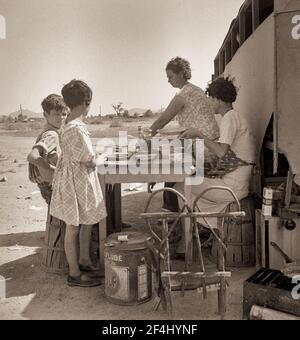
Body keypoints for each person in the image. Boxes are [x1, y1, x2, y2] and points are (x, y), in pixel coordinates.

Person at [175, 77, 256, 254]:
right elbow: (227, 154)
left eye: (211, 99)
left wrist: (199, 134)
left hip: (233, 187)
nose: (210, 103)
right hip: (235, 182)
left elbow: (221, 152)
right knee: (190, 183)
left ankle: (186, 241)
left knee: (180, 187)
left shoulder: (229, 118)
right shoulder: (234, 117)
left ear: (218, 99)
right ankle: (208, 228)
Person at [50, 79, 107, 287]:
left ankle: (84, 260)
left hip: (72, 178)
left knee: (85, 220)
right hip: (78, 179)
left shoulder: (68, 124)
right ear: (86, 103)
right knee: (73, 226)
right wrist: (103, 158)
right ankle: (74, 273)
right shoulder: (77, 128)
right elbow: (90, 160)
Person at [149, 57, 220, 212]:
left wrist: (146, 136)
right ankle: (172, 213)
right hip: (207, 144)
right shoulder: (195, 90)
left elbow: (162, 120)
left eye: (171, 77)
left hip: (204, 148)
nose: (168, 81)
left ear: (181, 73)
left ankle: (171, 215)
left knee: (171, 170)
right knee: (171, 165)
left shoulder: (185, 94)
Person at [27, 94, 67, 203]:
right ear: (46, 115)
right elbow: (32, 156)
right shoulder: (51, 135)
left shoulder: (54, 131)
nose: (61, 117)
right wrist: (56, 169)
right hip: (51, 186)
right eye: (56, 114)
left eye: (63, 114)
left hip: (49, 185)